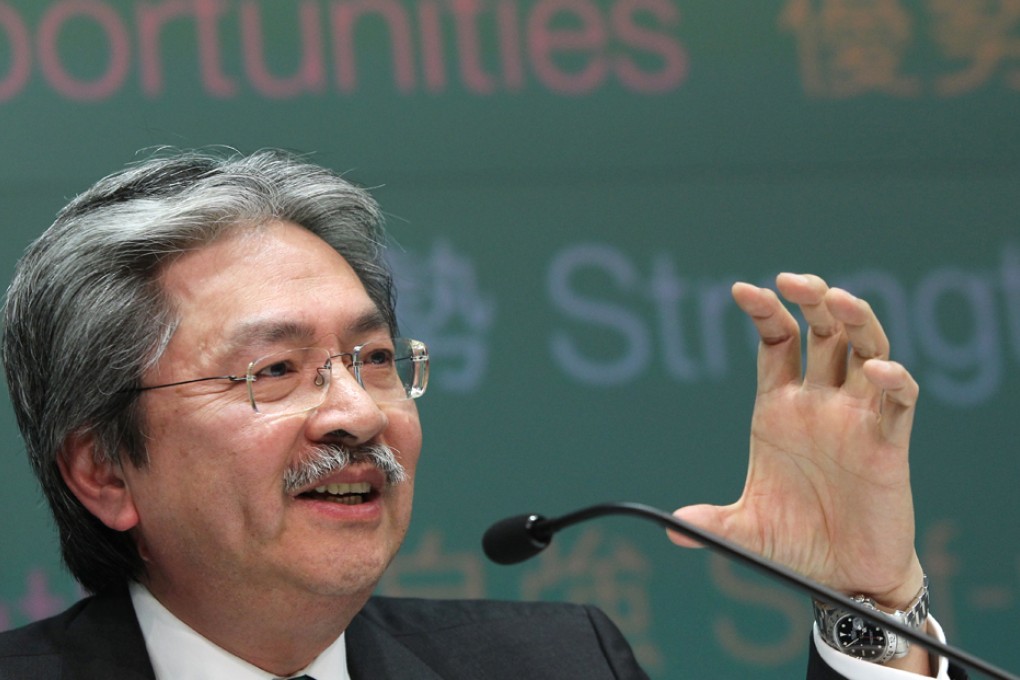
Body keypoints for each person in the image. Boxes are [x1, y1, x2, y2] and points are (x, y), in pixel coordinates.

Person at [0, 149, 960, 679]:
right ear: (105, 471)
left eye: (374, 359)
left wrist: (867, 601)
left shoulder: (557, 667)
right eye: (276, 370)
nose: (354, 412)